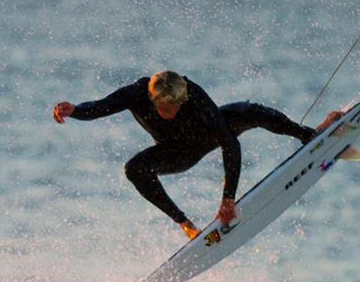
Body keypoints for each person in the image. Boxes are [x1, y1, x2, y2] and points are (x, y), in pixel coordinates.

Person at [53, 70, 337, 240]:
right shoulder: (136, 93)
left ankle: (309, 135)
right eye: (165, 109)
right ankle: (185, 224)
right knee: (134, 169)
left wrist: (228, 198)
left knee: (252, 111)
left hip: (206, 136)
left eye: (176, 106)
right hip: (175, 153)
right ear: (152, 99)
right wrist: (75, 110)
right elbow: (100, 108)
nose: (171, 113)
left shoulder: (194, 95)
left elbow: (229, 143)